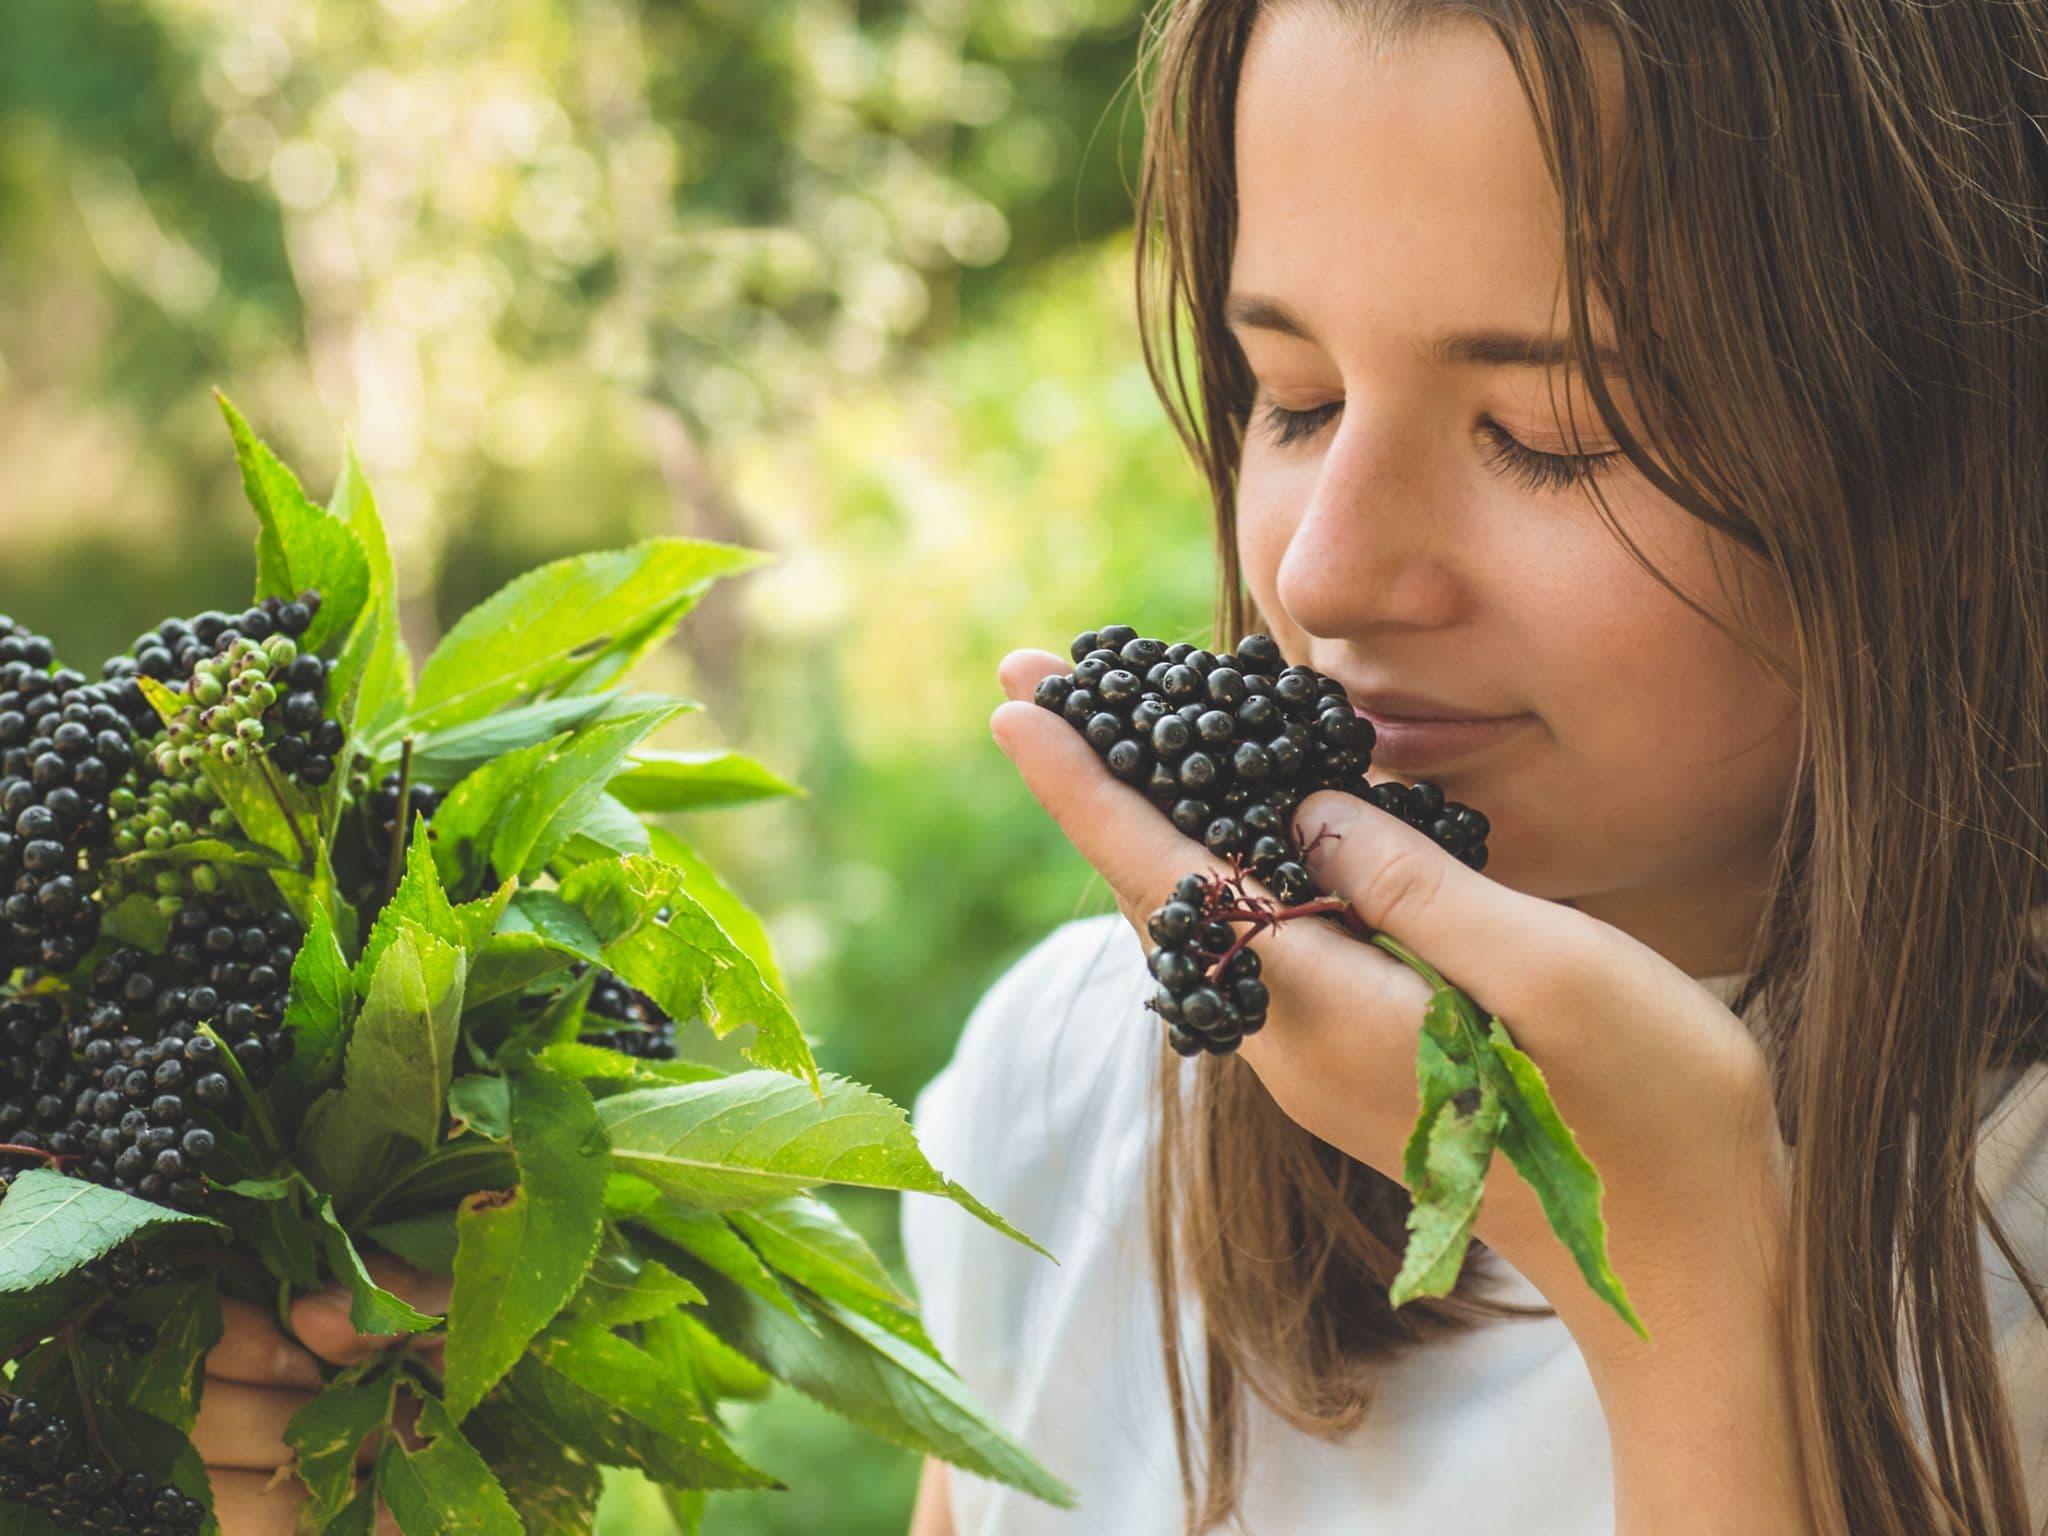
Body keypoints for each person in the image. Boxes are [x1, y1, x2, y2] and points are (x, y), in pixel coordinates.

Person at [200, 2, 2048, 1534]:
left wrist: (1682, 1270)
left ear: (1958, 456)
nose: (1321, 571)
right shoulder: (1087, 1088)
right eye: (1293, 402)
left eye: (1554, 436)